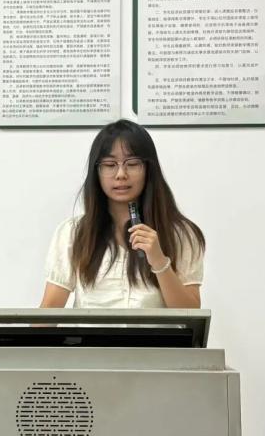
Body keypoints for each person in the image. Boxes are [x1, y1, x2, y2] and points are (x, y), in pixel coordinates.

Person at [39, 119, 205, 309]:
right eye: (110, 165)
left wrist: (159, 261)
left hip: (154, 331)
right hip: (90, 330)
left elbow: (190, 314)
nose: (121, 174)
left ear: (149, 169)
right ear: (96, 171)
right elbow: (50, 308)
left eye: (132, 164)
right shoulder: (74, 233)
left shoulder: (180, 233)